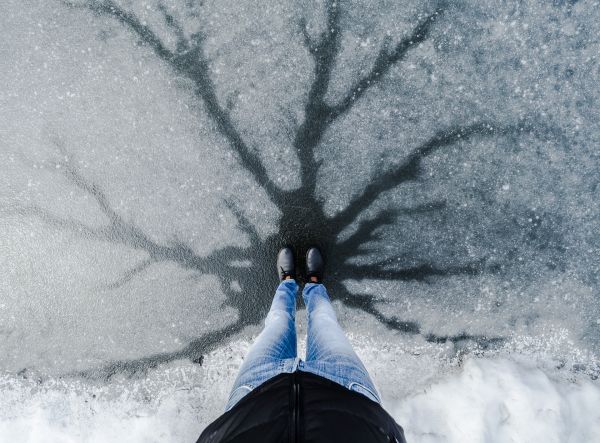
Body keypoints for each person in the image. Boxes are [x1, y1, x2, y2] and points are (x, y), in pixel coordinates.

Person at [196, 246, 406, 443]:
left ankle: (287, 282)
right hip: (348, 394)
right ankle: (314, 284)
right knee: (323, 319)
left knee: (278, 320)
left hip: (254, 397)